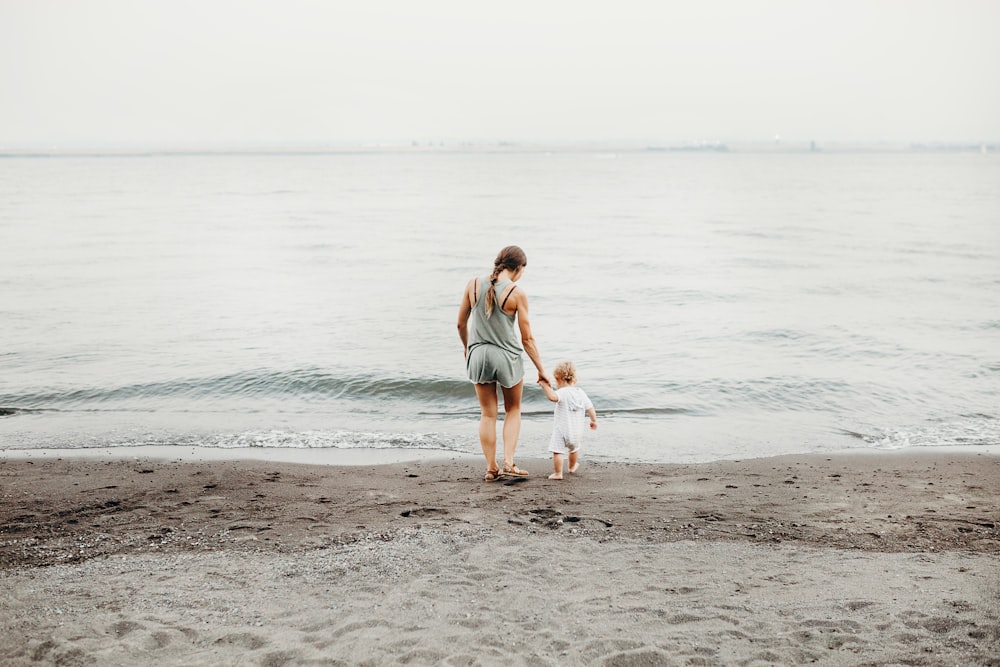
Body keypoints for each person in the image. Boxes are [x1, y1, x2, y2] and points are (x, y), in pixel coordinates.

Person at [457, 246, 549, 482]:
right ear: (518, 268)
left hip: (479, 355)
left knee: (488, 415)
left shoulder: (473, 284)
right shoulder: (516, 293)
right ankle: (509, 462)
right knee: (513, 410)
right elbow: (527, 338)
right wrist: (541, 370)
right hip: (507, 356)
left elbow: (460, 324)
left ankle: (491, 468)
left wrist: (469, 348)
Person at [538, 361, 597, 480]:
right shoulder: (580, 393)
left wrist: (545, 386)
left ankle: (558, 473)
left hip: (562, 430)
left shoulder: (562, 392)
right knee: (574, 449)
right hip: (577, 431)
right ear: (573, 379)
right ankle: (572, 466)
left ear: (559, 379)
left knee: (557, 451)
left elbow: (552, 397)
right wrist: (593, 420)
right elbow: (590, 407)